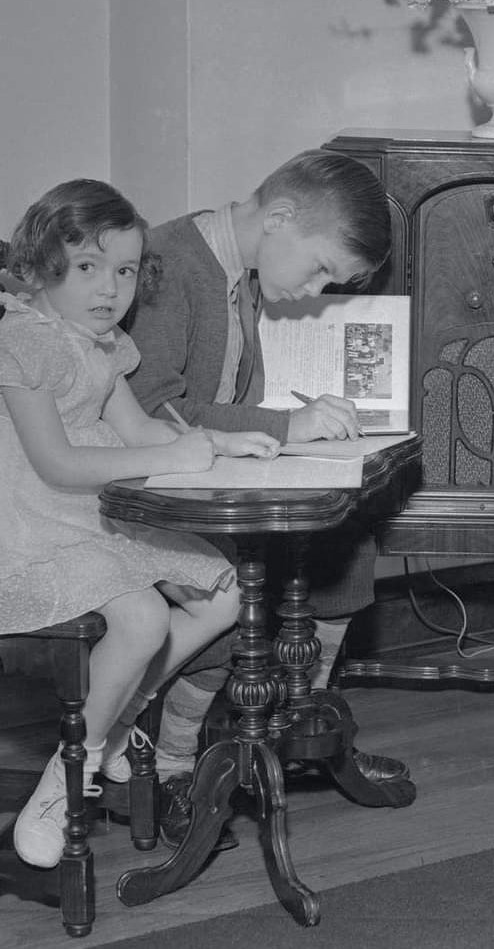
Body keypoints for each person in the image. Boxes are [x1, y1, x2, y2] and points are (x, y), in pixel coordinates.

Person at [123, 149, 415, 847]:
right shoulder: (169, 262)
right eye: (318, 269)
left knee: (348, 533)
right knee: (236, 586)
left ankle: (300, 717)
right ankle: (171, 764)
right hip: (159, 496)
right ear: (279, 218)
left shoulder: (241, 268)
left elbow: (225, 398)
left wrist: (293, 418)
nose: (316, 287)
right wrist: (283, 426)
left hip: (214, 479)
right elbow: (149, 404)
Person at [0, 178, 279, 868]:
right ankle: (66, 778)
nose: (109, 290)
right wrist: (171, 452)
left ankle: (117, 712)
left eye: (124, 271)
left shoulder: (101, 342)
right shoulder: (23, 338)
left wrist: (214, 443)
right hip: (33, 517)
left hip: (93, 510)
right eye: (88, 267)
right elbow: (57, 462)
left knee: (230, 596)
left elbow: (135, 427)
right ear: (39, 267)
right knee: (144, 621)